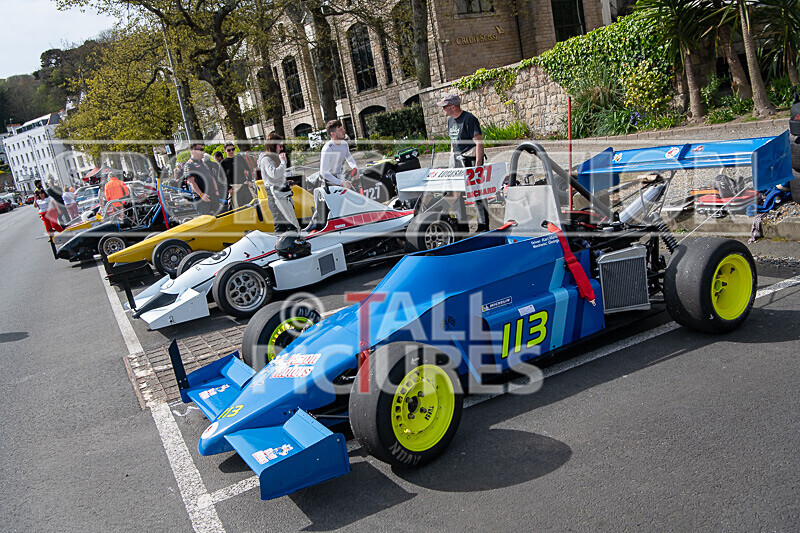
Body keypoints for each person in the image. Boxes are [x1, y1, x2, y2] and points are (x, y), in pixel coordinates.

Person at [438, 93, 490, 232]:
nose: (443, 109)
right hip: (456, 159)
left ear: (453, 107)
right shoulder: (450, 120)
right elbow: (453, 141)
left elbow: (479, 143)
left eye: (444, 107)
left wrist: (478, 167)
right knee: (455, 193)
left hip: (470, 159)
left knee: (477, 193)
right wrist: (452, 159)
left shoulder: (469, 119)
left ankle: (483, 226)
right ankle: (462, 227)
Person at [258, 132, 300, 232]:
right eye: (280, 146)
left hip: (280, 193)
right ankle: (285, 244)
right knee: (282, 224)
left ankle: (292, 242)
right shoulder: (266, 159)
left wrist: (285, 181)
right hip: (275, 195)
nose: (281, 148)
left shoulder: (272, 158)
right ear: (273, 145)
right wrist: (283, 162)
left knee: (286, 222)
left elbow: (276, 177)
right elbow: (274, 174)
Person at [184, 143, 223, 216]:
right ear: (193, 151)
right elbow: (192, 182)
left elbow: (211, 177)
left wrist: (216, 191)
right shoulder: (189, 164)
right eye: (201, 149)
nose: (203, 151)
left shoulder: (203, 163)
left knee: (217, 217)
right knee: (206, 220)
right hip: (201, 198)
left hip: (213, 195)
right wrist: (201, 195)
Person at [320, 119, 358, 187]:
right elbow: (324, 173)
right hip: (329, 179)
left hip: (340, 175)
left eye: (343, 128)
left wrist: (355, 169)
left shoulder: (344, 144)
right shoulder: (327, 149)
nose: (344, 131)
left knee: (362, 175)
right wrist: (341, 183)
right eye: (340, 130)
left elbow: (349, 159)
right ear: (333, 134)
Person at [221, 143, 255, 208]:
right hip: (234, 188)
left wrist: (249, 180)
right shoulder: (223, 163)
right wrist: (228, 188)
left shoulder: (239, 157)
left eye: (233, 149)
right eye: (229, 150)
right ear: (225, 150)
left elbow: (248, 169)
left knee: (252, 205)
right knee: (238, 208)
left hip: (245, 185)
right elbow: (222, 178)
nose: (231, 151)